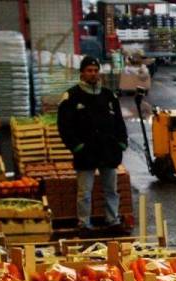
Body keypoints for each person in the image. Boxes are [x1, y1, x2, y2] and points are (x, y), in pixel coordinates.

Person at [57, 55, 128, 234]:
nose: (93, 74)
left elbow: (119, 121)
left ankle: (113, 221)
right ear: (82, 73)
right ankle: (84, 224)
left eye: (96, 71)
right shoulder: (71, 97)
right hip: (85, 153)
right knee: (84, 192)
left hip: (108, 151)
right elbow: (64, 126)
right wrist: (76, 146)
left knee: (111, 190)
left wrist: (122, 142)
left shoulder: (108, 96)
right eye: (89, 71)